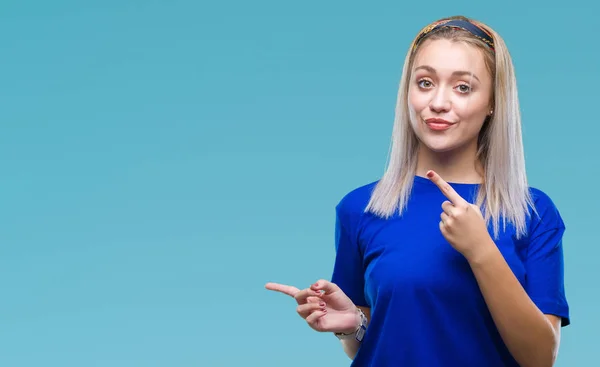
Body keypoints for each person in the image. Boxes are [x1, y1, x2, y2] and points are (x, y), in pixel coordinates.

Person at [265, 15, 570, 367]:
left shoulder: (533, 212)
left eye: (463, 87)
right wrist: (354, 327)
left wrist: (481, 250)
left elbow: (540, 358)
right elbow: (372, 342)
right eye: (425, 83)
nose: (438, 102)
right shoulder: (361, 208)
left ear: (493, 103)